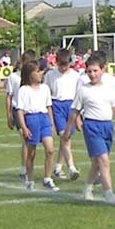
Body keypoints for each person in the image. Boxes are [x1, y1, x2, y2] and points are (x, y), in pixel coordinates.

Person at [62, 55, 115, 204]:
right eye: (89, 71)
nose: (92, 74)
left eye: (95, 71)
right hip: (92, 127)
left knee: (97, 162)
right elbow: (75, 111)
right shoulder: (83, 90)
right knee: (104, 160)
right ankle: (108, 193)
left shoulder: (109, 88)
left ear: (102, 70)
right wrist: (68, 130)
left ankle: (87, 188)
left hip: (107, 126)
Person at [16, 60, 58, 192]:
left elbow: (48, 107)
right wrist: (24, 127)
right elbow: (20, 110)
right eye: (38, 71)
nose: (41, 73)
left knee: (50, 150)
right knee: (31, 153)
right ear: (30, 74)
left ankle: (48, 178)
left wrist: (51, 124)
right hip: (31, 119)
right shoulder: (24, 90)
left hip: (44, 119)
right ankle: (30, 180)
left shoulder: (45, 88)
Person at [43, 49, 82, 181]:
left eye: (66, 64)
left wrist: (78, 116)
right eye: (61, 64)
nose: (63, 68)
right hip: (57, 105)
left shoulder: (76, 76)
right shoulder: (51, 75)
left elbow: (79, 96)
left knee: (66, 137)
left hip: (71, 106)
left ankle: (58, 167)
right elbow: (46, 92)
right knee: (64, 137)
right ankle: (71, 167)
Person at [5, 50, 36, 181]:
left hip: (30, 112)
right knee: (25, 139)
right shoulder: (14, 77)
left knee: (30, 142)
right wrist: (8, 115)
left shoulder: (33, 78)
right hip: (17, 110)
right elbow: (9, 96)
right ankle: (24, 169)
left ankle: (27, 167)